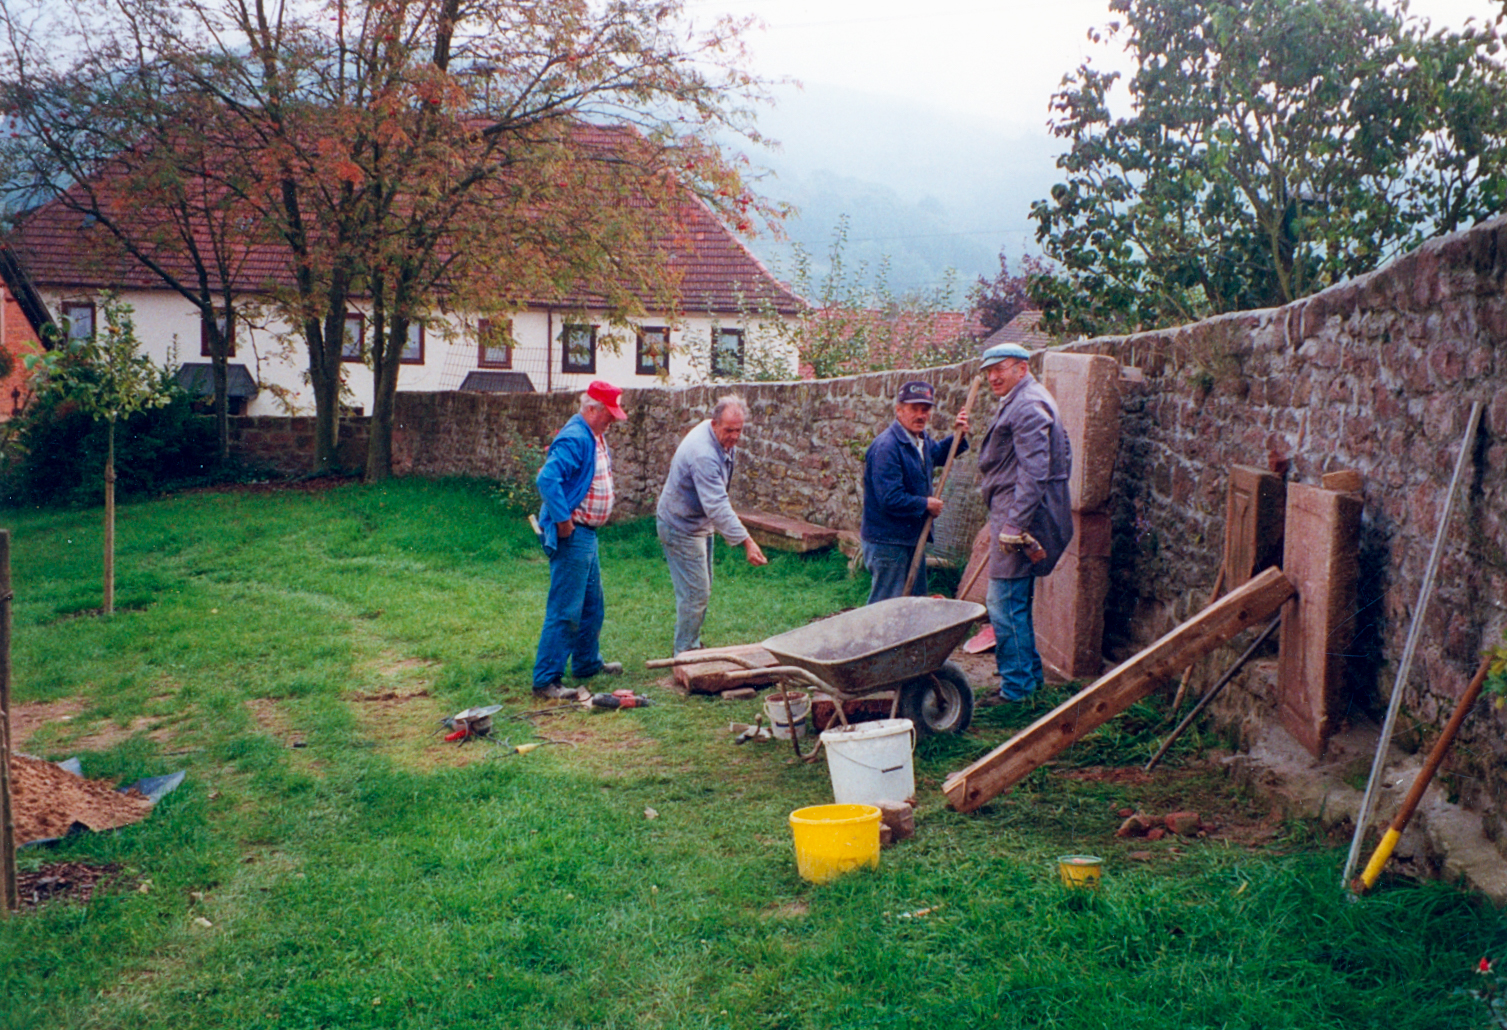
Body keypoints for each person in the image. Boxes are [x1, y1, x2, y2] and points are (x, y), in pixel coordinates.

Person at [976, 342, 1074, 701]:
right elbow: (1063, 452)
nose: (993, 377)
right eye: (989, 371)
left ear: (1022, 367)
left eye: (1000, 368)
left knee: (1003, 605)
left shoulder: (1029, 404)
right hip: (1016, 513)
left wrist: (1016, 524)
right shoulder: (1027, 398)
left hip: (1019, 520)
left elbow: (1035, 471)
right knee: (1014, 603)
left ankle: (1016, 692)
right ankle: (1030, 683)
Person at [531, 380, 629, 699]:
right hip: (574, 534)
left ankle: (586, 663)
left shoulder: (593, 434)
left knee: (592, 604)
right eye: (609, 414)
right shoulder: (575, 437)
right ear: (591, 409)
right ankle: (546, 680)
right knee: (566, 609)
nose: (613, 420)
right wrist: (562, 520)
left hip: (587, 534)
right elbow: (547, 479)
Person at [656, 395, 768, 655]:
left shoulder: (720, 438)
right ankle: (684, 654)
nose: (734, 436)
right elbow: (717, 504)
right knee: (696, 593)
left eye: (738, 430)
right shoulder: (704, 453)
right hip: (680, 525)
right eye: (729, 430)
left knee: (701, 589)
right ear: (715, 424)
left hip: (697, 522)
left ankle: (692, 644)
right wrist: (747, 542)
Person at [860, 379, 969, 603]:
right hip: (888, 542)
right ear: (899, 410)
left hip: (911, 538)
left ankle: (911, 640)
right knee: (886, 607)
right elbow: (889, 499)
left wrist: (958, 436)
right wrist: (925, 504)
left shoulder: (921, 440)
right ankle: (877, 640)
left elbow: (937, 455)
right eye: (914, 409)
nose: (921, 415)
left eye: (925, 409)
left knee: (914, 605)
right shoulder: (887, 447)